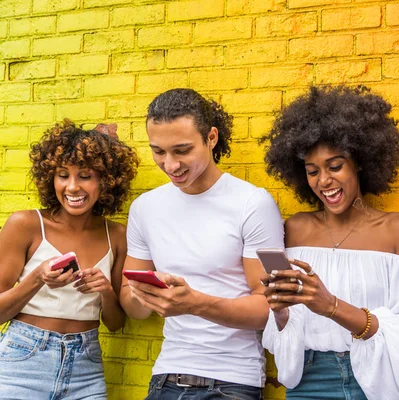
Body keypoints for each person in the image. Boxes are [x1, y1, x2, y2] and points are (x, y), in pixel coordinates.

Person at [259, 85, 399, 400]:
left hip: (374, 383)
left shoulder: (398, 230)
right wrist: (279, 310)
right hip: (307, 380)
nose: (324, 181)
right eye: (312, 171)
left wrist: (332, 306)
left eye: (335, 166)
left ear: (359, 162)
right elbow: (286, 325)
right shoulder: (295, 229)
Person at [119, 88, 284, 400]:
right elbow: (133, 309)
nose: (170, 165)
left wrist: (194, 302)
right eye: (159, 151)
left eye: (182, 150)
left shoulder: (255, 204)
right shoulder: (144, 208)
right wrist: (146, 295)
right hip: (165, 377)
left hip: (232, 382)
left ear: (211, 138)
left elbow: (271, 305)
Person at [0, 120, 138, 399]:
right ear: (50, 178)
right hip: (23, 362)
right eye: (63, 175)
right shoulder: (26, 224)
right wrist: (38, 277)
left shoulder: (117, 236)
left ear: (106, 180)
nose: (72, 187)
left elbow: (114, 323)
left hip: (86, 368)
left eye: (85, 176)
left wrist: (106, 290)